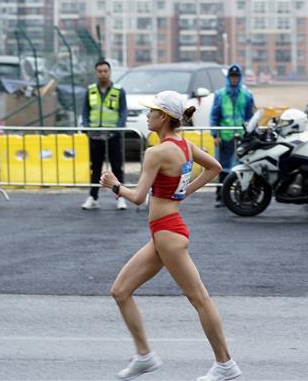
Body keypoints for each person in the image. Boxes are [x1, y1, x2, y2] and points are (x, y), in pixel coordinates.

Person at [101, 91, 242, 381]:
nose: (147, 116)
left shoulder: (156, 152)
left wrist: (114, 186)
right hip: (164, 232)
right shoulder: (184, 145)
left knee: (199, 298)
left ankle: (226, 365)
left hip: (168, 233)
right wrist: (183, 191)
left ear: (163, 117)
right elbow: (213, 167)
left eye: (151, 111)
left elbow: (139, 198)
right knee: (120, 291)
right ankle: (145, 356)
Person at [81, 60, 128, 210]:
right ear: (96, 73)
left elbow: (123, 112)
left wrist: (118, 129)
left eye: (105, 71)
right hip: (95, 135)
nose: (103, 74)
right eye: (100, 71)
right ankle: (93, 197)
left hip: (113, 135)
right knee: (95, 167)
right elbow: (85, 112)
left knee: (117, 167)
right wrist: (87, 127)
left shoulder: (119, 90)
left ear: (110, 72)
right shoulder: (90, 90)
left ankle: (120, 197)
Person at [209, 64, 255, 206]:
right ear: (228, 78)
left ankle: (243, 196)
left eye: (236, 77)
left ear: (240, 78)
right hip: (225, 136)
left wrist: (251, 133)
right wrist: (215, 134)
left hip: (241, 137)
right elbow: (214, 116)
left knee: (243, 166)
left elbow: (249, 116)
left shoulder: (247, 95)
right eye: (232, 77)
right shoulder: (220, 94)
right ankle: (221, 197)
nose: (234, 79)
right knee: (223, 167)